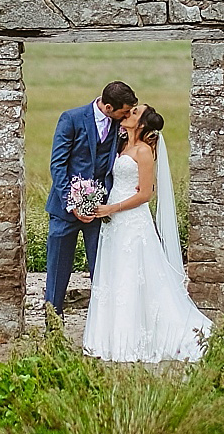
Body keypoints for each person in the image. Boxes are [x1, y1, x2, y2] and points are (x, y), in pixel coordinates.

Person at [78, 104, 213, 363]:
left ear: (141, 125)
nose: (127, 114)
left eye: (134, 113)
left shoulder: (143, 152)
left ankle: (133, 338)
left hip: (131, 219)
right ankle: (109, 336)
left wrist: (111, 208)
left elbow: (144, 194)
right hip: (114, 222)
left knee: (133, 273)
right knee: (115, 273)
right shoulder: (121, 145)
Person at [44, 81, 138, 314]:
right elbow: (58, 165)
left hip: (101, 210)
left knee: (102, 269)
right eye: (124, 112)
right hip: (64, 211)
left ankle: (100, 326)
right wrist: (72, 202)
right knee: (57, 271)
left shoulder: (121, 124)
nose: (127, 116)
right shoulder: (71, 119)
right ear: (108, 107)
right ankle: (53, 328)